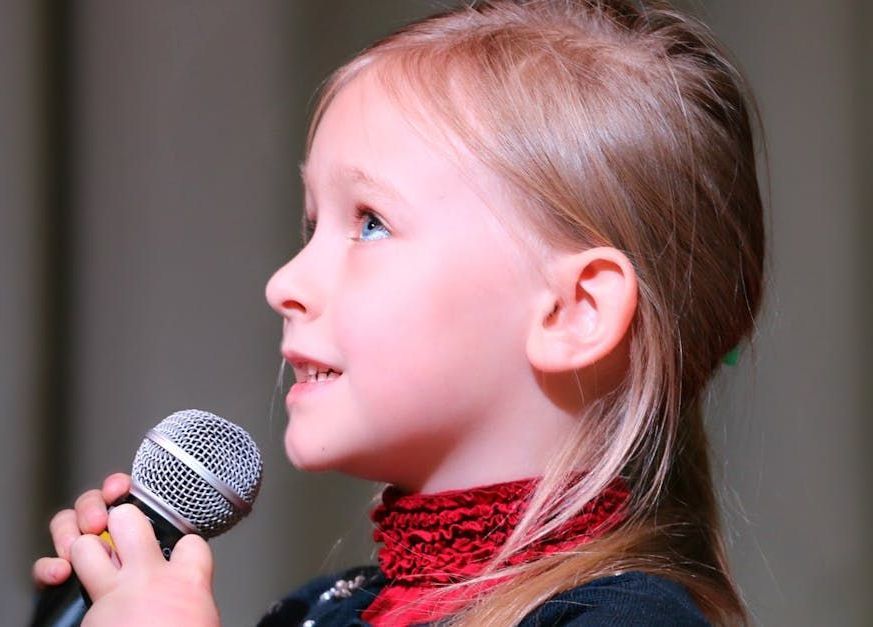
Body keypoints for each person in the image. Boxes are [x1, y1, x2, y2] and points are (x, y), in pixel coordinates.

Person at [31, 0, 766, 624]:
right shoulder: (320, 608)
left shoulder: (624, 618)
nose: (283, 281)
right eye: (309, 224)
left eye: (370, 222)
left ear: (573, 310)